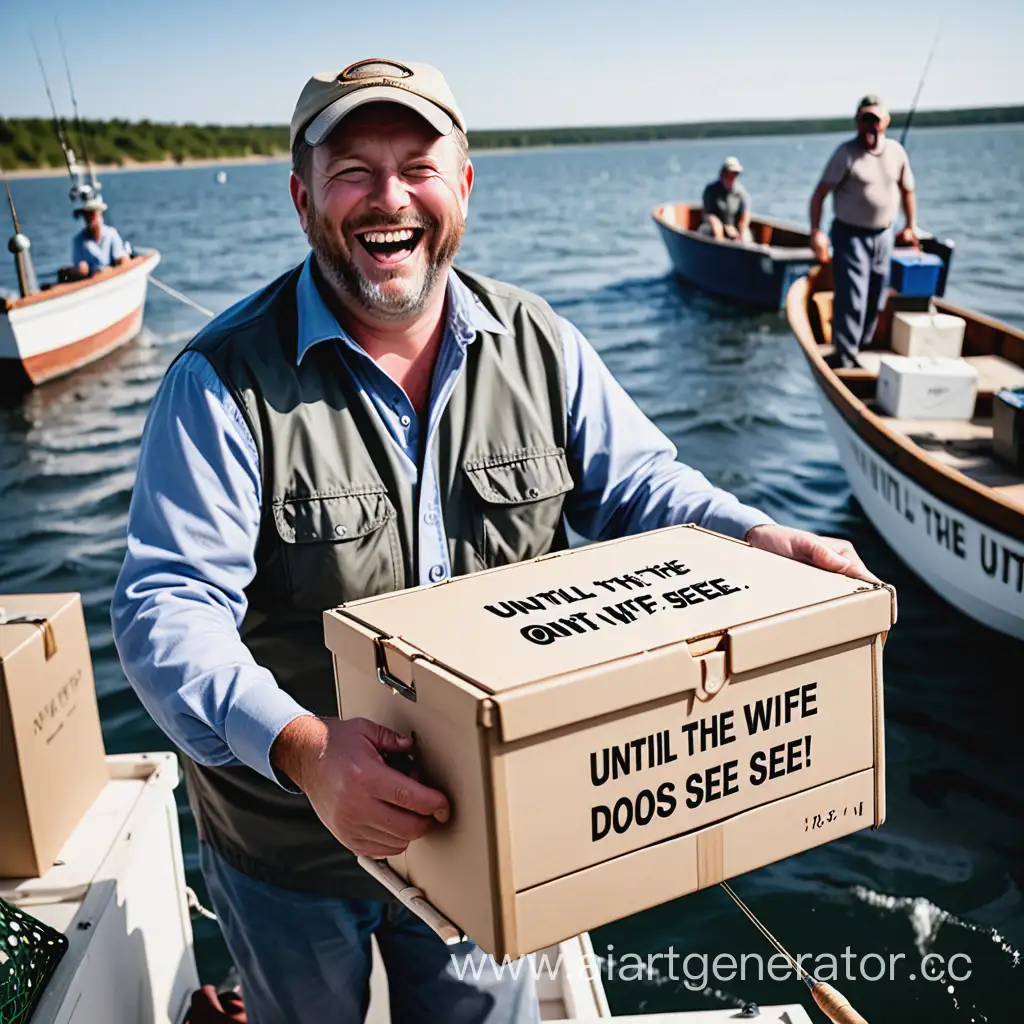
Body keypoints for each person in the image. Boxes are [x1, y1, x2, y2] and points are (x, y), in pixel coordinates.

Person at [112, 57, 879, 1024]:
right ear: (303, 197)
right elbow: (166, 613)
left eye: (418, 166)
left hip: (493, 828)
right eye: (353, 170)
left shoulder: (543, 342)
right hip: (290, 848)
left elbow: (639, 486)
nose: (389, 198)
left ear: (463, 185)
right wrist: (309, 753)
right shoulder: (219, 382)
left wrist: (760, 540)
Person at [809, 94, 919, 367]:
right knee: (852, 296)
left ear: (886, 122)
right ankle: (845, 357)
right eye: (865, 120)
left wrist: (910, 226)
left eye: (875, 120)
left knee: (877, 295)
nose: (870, 126)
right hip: (850, 235)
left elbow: (907, 191)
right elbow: (819, 194)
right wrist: (816, 232)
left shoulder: (896, 152)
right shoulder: (846, 154)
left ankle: (862, 346)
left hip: (883, 234)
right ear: (857, 122)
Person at [71, 196, 129, 277]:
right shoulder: (79, 240)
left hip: (113, 276)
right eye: (86, 215)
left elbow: (121, 258)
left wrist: (108, 270)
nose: (89, 218)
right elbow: (81, 267)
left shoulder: (111, 234)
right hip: (92, 280)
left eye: (92, 214)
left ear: (99, 213)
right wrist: (83, 269)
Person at [700, 156, 752, 242]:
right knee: (707, 230)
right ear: (723, 173)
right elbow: (706, 213)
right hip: (713, 226)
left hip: (734, 227)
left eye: (736, 174)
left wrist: (740, 231)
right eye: (730, 173)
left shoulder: (741, 193)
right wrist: (718, 224)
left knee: (746, 235)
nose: (733, 177)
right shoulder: (711, 190)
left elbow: (745, 216)